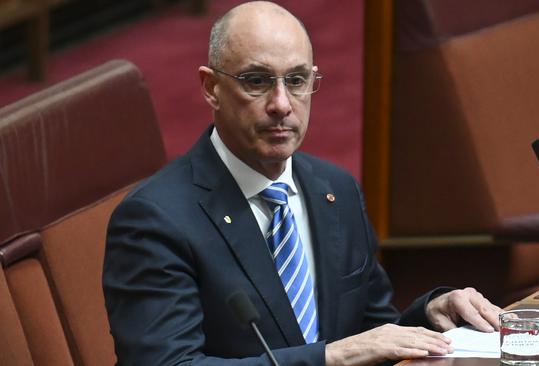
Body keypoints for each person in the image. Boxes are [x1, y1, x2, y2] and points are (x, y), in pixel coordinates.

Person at [102, 2, 502, 365]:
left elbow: (372, 330)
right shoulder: (155, 221)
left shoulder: (335, 189)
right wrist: (328, 358)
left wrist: (430, 315)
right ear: (211, 88)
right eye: (257, 81)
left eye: (296, 80)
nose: (281, 104)